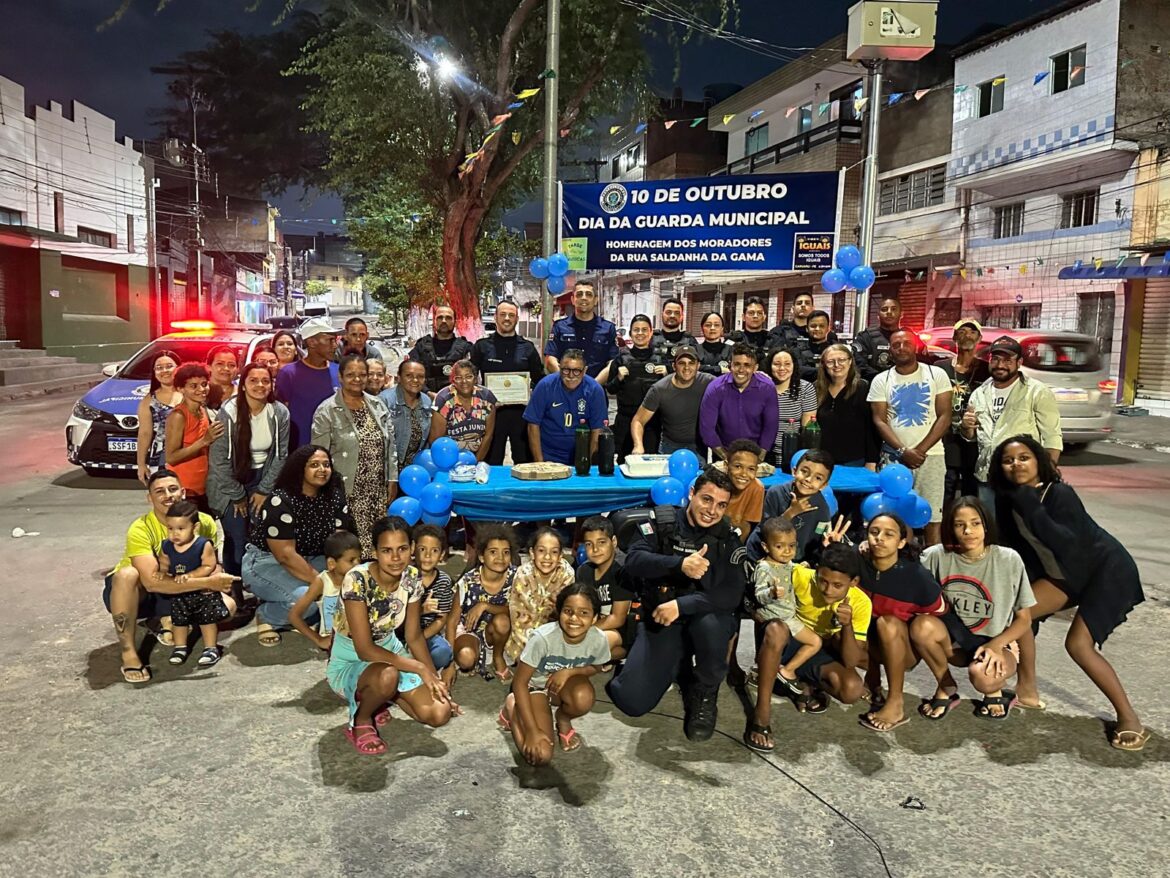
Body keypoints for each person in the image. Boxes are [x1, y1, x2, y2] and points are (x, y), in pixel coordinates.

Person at [990, 435, 1147, 750]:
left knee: (1078, 645)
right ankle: (1028, 691)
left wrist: (1031, 504)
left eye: (1024, 457)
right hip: (1063, 574)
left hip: (1105, 570)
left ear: (1039, 461)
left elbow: (1068, 544)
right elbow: (1015, 549)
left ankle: (1129, 718)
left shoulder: (1059, 494)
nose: (1016, 464)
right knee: (1020, 611)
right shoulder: (1009, 498)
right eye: (1008, 460)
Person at [607, 468, 748, 742]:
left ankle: (705, 690)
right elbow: (634, 560)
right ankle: (676, 664)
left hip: (702, 620)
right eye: (706, 500)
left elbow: (732, 594)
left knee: (713, 622)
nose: (712, 511)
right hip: (661, 620)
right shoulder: (662, 522)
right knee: (631, 702)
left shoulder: (728, 537)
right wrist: (679, 565)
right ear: (692, 494)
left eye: (721, 505)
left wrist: (681, 605)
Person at [326, 516, 455, 755]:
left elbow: (414, 635)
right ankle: (361, 719)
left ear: (412, 549)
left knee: (440, 712)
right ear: (374, 551)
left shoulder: (412, 577)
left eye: (402, 549)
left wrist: (433, 679)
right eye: (386, 550)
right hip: (352, 657)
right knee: (387, 675)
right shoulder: (356, 580)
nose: (396, 558)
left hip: (390, 650)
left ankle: (381, 697)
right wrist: (418, 668)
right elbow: (365, 649)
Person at [102, 469, 236, 684]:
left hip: (180, 587)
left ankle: (164, 620)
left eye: (172, 489)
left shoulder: (204, 522)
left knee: (227, 607)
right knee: (127, 575)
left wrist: (216, 581)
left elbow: (212, 563)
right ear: (150, 498)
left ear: (182, 493)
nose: (168, 495)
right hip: (138, 592)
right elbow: (151, 582)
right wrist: (206, 582)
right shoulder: (141, 528)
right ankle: (129, 652)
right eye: (159, 491)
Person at [910, 498, 1034, 724]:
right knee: (921, 626)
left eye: (975, 523)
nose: (968, 531)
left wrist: (996, 645)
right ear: (950, 527)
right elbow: (906, 575)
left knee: (983, 678)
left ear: (986, 525)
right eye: (959, 525)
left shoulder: (1008, 559)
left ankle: (995, 691)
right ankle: (946, 685)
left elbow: (1024, 619)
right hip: (953, 641)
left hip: (997, 643)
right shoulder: (936, 555)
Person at [241, 445, 355, 647]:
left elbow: (340, 542)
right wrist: (322, 583)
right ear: (300, 469)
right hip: (268, 562)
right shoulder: (280, 500)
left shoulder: (335, 495)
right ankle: (266, 615)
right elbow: (285, 555)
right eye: (314, 465)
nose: (322, 469)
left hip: (312, 558)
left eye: (326, 465)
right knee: (308, 601)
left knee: (348, 589)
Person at [748, 542, 870, 727]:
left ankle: (797, 683)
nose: (828, 590)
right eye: (823, 580)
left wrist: (847, 625)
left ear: (854, 582)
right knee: (775, 628)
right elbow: (758, 589)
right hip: (786, 640)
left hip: (818, 650)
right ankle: (762, 711)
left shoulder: (861, 603)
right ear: (816, 571)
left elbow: (851, 661)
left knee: (851, 689)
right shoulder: (799, 575)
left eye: (837, 585)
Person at [853, 513, 947, 733]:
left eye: (889, 534)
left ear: (901, 542)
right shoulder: (858, 564)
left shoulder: (916, 576)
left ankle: (896, 702)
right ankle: (871, 681)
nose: (880, 539)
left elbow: (941, 615)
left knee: (888, 623)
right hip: (871, 646)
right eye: (874, 532)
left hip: (905, 649)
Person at [500, 582, 610, 762]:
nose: (574, 618)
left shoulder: (598, 639)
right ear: (559, 612)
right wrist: (533, 731)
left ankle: (563, 719)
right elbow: (519, 683)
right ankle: (512, 707)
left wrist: (569, 672)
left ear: (595, 617)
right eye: (568, 611)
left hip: (558, 688)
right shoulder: (543, 638)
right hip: (531, 689)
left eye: (584, 613)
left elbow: (596, 667)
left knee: (583, 696)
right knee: (539, 756)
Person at [743, 517, 824, 751]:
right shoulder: (764, 567)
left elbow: (797, 574)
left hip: (792, 617)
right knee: (777, 634)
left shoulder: (790, 565)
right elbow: (758, 595)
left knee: (815, 641)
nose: (787, 551)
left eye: (791, 545)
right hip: (772, 616)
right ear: (766, 547)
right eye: (780, 546)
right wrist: (771, 592)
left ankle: (786, 672)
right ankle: (762, 711)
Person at [868, 328, 953, 545]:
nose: (901, 348)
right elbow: (879, 420)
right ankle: (902, 559)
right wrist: (903, 451)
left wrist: (920, 450)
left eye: (906, 343)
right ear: (890, 350)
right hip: (894, 458)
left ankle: (932, 566)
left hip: (931, 456)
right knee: (895, 515)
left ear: (915, 346)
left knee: (933, 516)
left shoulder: (936, 374)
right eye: (896, 345)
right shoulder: (881, 379)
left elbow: (944, 415)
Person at [207, 362, 290, 577]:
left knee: (261, 536)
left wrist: (263, 490)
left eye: (265, 381)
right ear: (243, 385)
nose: (260, 385)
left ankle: (258, 585)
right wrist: (237, 495)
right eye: (253, 380)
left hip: (263, 478)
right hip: (231, 480)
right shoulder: (228, 412)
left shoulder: (279, 412)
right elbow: (218, 461)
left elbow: (281, 456)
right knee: (236, 536)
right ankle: (234, 587)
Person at [311, 354, 399, 558]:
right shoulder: (327, 410)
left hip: (376, 491)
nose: (357, 379)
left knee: (377, 547)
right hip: (346, 490)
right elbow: (318, 456)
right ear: (340, 377)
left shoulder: (377, 405)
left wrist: (392, 478)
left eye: (362, 374)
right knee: (351, 550)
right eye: (351, 375)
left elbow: (390, 445)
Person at [961, 336, 1062, 510]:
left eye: (1008, 360)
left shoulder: (1036, 392)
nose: (1000, 365)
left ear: (1019, 362)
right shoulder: (979, 393)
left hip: (1022, 480)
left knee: (1023, 531)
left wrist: (1047, 474)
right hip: (987, 478)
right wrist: (966, 429)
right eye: (996, 359)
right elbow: (973, 438)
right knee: (991, 531)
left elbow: (1052, 436)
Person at [158, 500, 229, 668]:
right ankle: (180, 647)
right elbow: (164, 561)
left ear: (195, 527)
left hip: (202, 591)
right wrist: (162, 572)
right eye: (170, 528)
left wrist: (190, 576)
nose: (175, 534)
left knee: (207, 620)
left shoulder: (202, 544)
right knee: (179, 620)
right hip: (180, 592)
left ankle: (211, 648)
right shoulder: (167, 545)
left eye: (181, 529)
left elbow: (208, 565)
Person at [471, 300, 543, 465]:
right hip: (492, 415)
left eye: (511, 315)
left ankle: (525, 491)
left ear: (517, 319)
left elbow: (539, 380)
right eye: (503, 314)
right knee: (491, 462)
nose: (507, 318)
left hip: (522, 414)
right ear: (495, 317)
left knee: (524, 462)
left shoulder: (528, 348)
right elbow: (471, 379)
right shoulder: (481, 347)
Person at [598, 315, 669, 462]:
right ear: (630, 334)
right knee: (625, 461)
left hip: (652, 421)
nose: (640, 333)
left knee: (650, 462)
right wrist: (618, 378)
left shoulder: (661, 359)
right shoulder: (621, 358)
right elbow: (610, 389)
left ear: (651, 333)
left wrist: (667, 375)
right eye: (636, 330)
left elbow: (672, 392)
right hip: (625, 420)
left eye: (644, 330)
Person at [453, 523, 519, 680]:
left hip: (498, 631)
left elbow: (516, 610)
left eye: (506, 552)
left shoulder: (516, 577)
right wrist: (449, 663)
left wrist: (485, 606)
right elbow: (452, 620)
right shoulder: (468, 580)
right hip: (469, 630)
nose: (500, 558)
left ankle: (497, 656)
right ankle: (472, 652)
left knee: (502, 622)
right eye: (493, 552)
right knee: (466, 658)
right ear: (482, 557)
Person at [746, 449, 835, 563]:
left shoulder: (822, 507)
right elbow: (765, 531)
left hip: (794, 564)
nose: (808, 479)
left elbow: (817, 543)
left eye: (818, 478)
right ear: (794, 471)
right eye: (804, 471)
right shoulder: (776, 493)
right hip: (761, 558)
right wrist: (791, 513)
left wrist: (810, 561)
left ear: (824, 485)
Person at [506, 527, 576, 670]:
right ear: (532, 553)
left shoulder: (566, 573)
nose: (547, 557)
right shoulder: (523, 574)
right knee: (530, 667)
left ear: (561, 555)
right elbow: (520, 619)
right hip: (525, 634)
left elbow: (566, 612)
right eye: (541, 551)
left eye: (554, 552)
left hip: (555, 630)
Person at [938, 319, 991, 506]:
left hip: (974, 440)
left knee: (971, 491)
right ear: (954, 337)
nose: (967, 335)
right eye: (962, 331)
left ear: (979, 338)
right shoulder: (940, 367)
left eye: (972, 332)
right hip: (946, 438)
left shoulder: (986, 370)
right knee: (946, 488)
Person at [523, 349, 607, 465]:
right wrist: (540, 463)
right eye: (566, 370)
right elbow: (533, 425)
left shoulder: (594, 390)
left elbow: (597, 430)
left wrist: (589, 465)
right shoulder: (545, 386)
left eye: (577, 371)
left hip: (581, 455)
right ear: (559, 367)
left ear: (585, 371)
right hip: (548, 456)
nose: (571, 376)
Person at [698, 342, 778, 460]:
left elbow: (770, 427)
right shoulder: (715, 388)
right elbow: (707, 429)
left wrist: (758, 459)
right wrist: (727, 459)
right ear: (730, 365)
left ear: (755, 368)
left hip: (758, 454)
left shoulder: (767, 388)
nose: (741, 370)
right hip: (724, 454)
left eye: (747, 365)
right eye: (737, 364)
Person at [630, 346, 714, 456]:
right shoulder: (659, 389)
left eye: (691, 363)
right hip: (669, 446)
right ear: (674, 366)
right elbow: (638, 421)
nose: (687, 367)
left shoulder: (709, 382)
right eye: (681, 363)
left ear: (698, 365)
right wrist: (638, 446)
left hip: (699, 447)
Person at [288, 529, 363, 651]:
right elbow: (294, 615)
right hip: (336, 643)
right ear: (332, 563)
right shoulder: (322, 582)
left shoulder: (361, 579)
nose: (358, 565)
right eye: (351, 560)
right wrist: (318, 639)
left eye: (359, 559)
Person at [165, 363, 224, 513]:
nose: (201, 390)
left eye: (204, 384)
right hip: (185, 489)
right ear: (180, 389)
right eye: (194, 386)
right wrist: (204, 441)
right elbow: (171, 457)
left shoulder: (202, 410)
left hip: (204, 487)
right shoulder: (178, 416)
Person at [275, 317, 340, 450]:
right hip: (299, 450)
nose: (335, 345)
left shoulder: (339, 372)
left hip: (333, 450)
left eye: (335, 340)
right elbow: (280, 415)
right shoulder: (289, 374)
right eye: (329, 340)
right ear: (312, 342)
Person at [577, 516, 636, 660]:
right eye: (589, 544)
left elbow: (618, 618)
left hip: (624, 630)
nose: (595, 549)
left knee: (591, 646)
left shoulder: (622, 570)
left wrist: (585, 631)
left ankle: (631, 656)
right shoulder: (584, 570)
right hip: (598, 624)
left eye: (601, 542)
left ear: (614, 541)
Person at [816, 343, 878, 471]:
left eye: (842, 360)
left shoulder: (863, 388)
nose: (837, 365)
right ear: (823, 365)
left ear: (850, 362)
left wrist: (872, 460)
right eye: (830, 361)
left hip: (855, 461)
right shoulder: (816, 389)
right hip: (822, 461)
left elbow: (872, 428)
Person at [411, 523, 457, 687]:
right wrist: (421, 610)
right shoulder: (405, 576)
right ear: (413, 549)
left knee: (444, 652)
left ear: (442, 555)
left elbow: (441, 619)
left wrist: (420, 640)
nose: (428, 556)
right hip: (402, 634)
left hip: (428, 635)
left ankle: (417, 667)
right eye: (422, 549)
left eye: (434, 551)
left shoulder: (444, 581)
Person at [543, 279, 618, 377]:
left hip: (596, 389)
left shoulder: (608, 328)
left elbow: (613, 363)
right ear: (573, 300)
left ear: (595, 300)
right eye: (579, 294)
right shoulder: (559, 327)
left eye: (588, 294)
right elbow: (550, 360)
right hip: (566, 390)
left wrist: (593, 385)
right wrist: (569, 382)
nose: (584, 298)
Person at [430, 359, 498, 460]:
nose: (464, 381)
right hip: (448, 458)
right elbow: (436, 441)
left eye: (469, 377)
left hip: (479, 455)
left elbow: (488, 436)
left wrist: (475, 463)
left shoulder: (487, 397)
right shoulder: (443, 400)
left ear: (475, 379)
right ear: (452, 380)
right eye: (458, 378)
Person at [762, 347, 817, 467]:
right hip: (763, 452)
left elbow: (807, 428)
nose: (782, 368)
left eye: (787, 364)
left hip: (793, 453)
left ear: (794, 366)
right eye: (777, 364)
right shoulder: (762, 388)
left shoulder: (805, 388)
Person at [135, 349, 183, 484]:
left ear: (179, 368)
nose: (164, 371)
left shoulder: (191, 393)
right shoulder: (149, 400)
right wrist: (141, 465)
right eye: (159, 368)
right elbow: (144, 433)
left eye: (169, 366)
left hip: (191, 456)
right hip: (160, 458)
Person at [408, 304, 474, 393]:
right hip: (426, 399)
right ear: (434, 321)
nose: (443, 321)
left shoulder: (466, 348)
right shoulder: (421, 346)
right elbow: (411, 374)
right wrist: (428, 392)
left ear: (455, 321)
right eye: (440, 318)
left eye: (448, 318)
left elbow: (473, 377)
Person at [384, 359, 434, 468]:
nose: (415, 380)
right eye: (409, 375)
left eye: (420, 376)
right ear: (399, 377)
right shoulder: (384, 400)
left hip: (417, 468)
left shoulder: (426, 401)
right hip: (389, 468)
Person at [722, 438, 765, 542]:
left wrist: (734, 550)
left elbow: (746, 526)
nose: (744, 474)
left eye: (751, 469)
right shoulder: (717, 485)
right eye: (738, 466)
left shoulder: (757, 488)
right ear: (726, 466)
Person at [852, 296, 903, 382]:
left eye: (894, 309)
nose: (889, 312)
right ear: (878, 315)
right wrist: (883, 380)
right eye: (884, 309)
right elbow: (859, 364)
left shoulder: (910, 337)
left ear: (902, 314)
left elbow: (922, 364)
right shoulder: (865, 337)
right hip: (872, 385)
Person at [793, 310, 838, 381]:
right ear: (807, 328)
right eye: (813, 326)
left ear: (828, 328)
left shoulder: (837, 349)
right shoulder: (796, 349)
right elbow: (797, 370)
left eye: (822, 326)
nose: (817, 329)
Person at [695, 311, 733, 377]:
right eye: (708, 325)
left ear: (722, 328)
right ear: (702, 328)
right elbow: (693, 368)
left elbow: (733, 370)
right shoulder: (695, 350)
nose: (712, 328)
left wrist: (704, 368)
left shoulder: (731, 350)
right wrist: (720, 369)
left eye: (716, 325)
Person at [205, 345, 239, 411]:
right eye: (220, 364)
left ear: (237, 369)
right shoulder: (197, 392)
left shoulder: (243, 394)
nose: (226, 368)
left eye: (231, 365)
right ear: (208, 367)